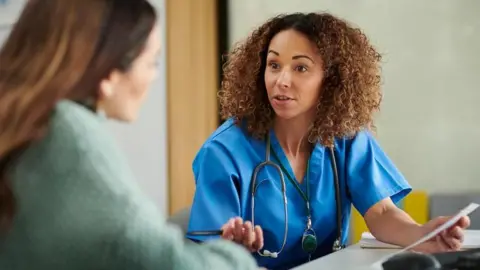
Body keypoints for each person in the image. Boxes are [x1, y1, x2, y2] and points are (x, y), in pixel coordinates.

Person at [186, 12, 470, 270]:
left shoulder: (346, 137)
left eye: (300, 68)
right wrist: (232, 248)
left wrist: (423, 234)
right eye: (273, 65)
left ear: (331, 80)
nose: (281, 80)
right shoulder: (224, 152)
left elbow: (381, 212)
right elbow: (209, 253)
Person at [0, 0, 262, 269]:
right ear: (109, 73)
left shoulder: (27, 122)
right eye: (152, 62)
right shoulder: (69, 136)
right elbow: (162, 261)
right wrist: (234, 255)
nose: (153, 76)